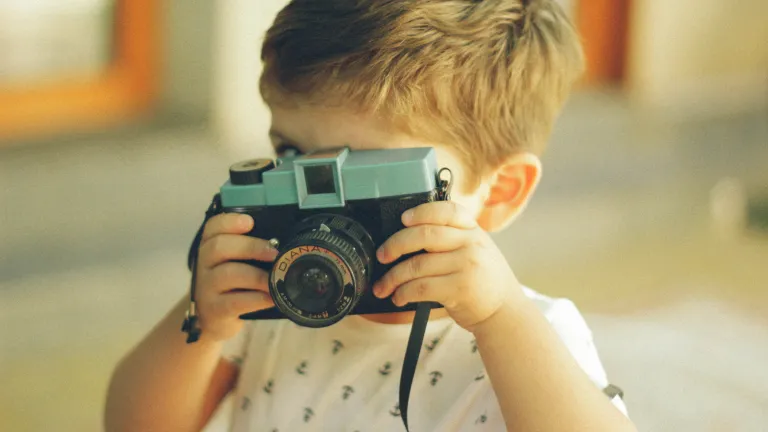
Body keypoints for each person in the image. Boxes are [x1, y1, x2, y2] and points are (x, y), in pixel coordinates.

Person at [105, 1, 637, 431]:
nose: (323, 209)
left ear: (498, 192)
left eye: (369, 176)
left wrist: (502, 319)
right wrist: (201, 319)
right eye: (290, 155)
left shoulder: (527, 335)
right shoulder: (268, 300)